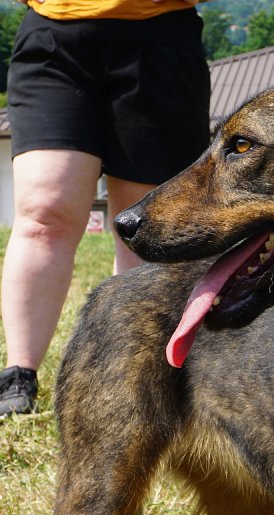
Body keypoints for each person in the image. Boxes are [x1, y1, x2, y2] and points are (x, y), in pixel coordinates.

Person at [0, 0, 211, 418]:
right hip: (54, 36)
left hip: (160, 34)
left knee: (147, 227)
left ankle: (133, 375)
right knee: (43, 213)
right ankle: (17, 376)